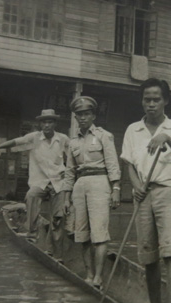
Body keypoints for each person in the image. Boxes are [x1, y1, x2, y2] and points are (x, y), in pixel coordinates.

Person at [120, 78, 171, 303]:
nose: (151, 104)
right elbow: (128, 164)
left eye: (156, 99)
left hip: (168, 192)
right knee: (149, 256)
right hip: (142, 194)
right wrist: (136, 186)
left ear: (166, 101)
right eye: (147, 100)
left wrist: (166, 139)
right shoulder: (133, 129)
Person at [0, 109, 72, 258]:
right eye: (44, 122)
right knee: (31, 196)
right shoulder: (34, 138)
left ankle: (53, 249)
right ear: (40, 124)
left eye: (50, 122)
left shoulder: (63, 139)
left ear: (55, 123)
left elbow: (73, 156)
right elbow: (15, 142)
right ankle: (32, 234)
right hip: (40, 182)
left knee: (58, 218)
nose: (47, 125)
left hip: (58, 182)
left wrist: (69, 170)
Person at [64, 96, 121, 288]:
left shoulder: (104, 136)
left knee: (99, 233)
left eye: (86, 114)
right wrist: (66, 197)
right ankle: (88, 275)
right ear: (75, 117)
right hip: (80, 186)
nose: (82, 118)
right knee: (82, 234)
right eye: (79, 115)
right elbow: (70, 171)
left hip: (100, 183)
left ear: (93, 115)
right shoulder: (73, 142)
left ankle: (99, 277)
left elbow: (113, 163)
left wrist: (116, 188)